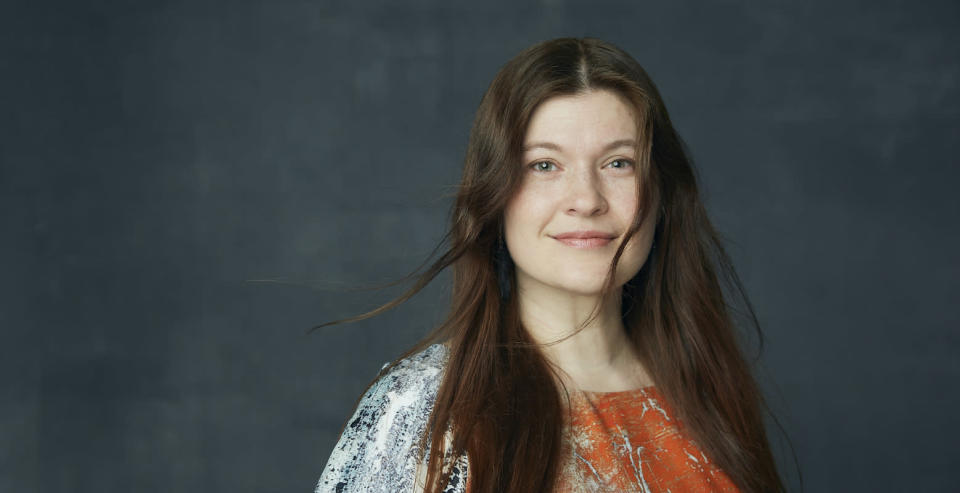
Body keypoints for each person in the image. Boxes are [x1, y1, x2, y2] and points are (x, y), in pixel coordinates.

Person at [315, 37, 787, 493]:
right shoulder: (427, 408)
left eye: (618, 163)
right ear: (495, 195)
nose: (586, 199)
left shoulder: (707, 394)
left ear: (662, 191)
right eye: (544, 165)